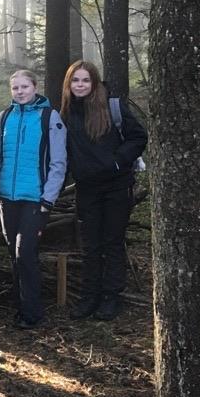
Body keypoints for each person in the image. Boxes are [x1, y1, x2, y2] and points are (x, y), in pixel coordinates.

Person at [60, 60, 147, 321]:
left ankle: (111, 298)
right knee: (91, 245)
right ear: (68, 84)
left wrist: (118, 161)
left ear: (94, 83)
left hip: (116, 187)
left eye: (85, 80)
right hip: (87, 189)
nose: (80, 85)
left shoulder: (113, 107)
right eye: (75, 81)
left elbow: (138, 137)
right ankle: (89, 298)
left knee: (112, 242)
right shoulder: (64, 114)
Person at [0, 69, 67, 329]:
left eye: (25, 87)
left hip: (35, 199)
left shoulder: (50, 117)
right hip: (7, 199)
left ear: (35, 87)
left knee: (25, 252)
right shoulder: (5, 117)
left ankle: (32, 313)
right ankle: (20, 307)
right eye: (15, 88)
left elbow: (59, 162)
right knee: (14, 255)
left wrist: (48, 199)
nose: (20, 92)